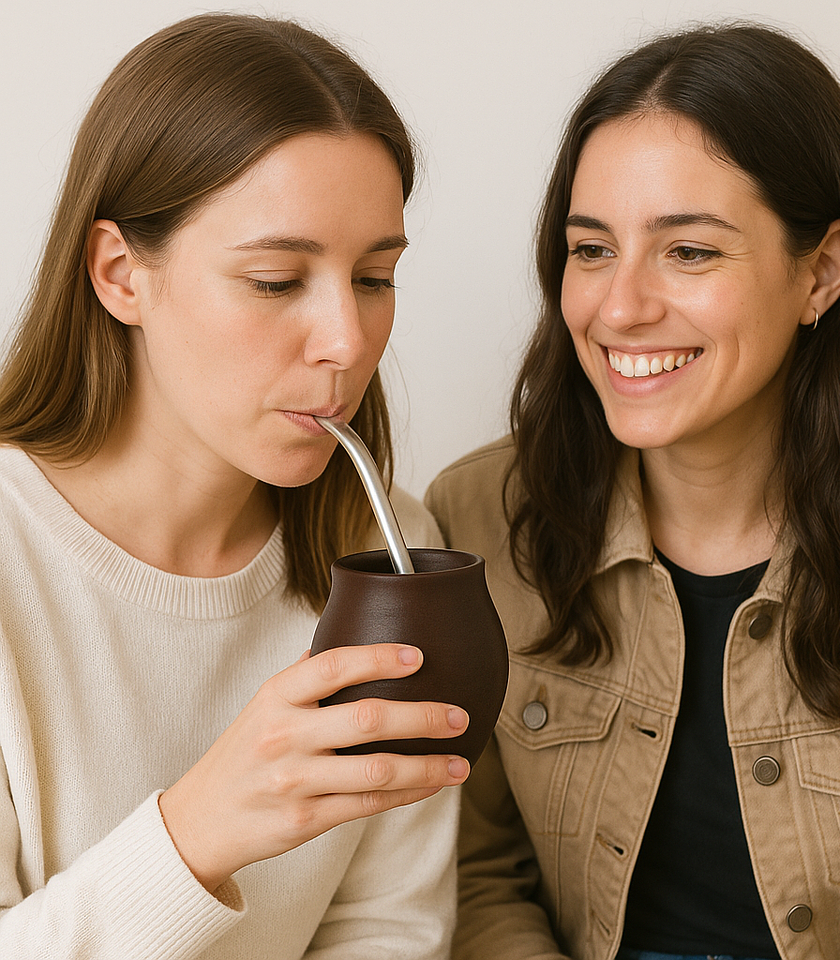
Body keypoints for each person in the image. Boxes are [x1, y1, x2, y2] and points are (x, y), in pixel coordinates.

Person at [426, 22, 840, 960]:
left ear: (821, 274)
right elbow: (474, 875)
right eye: (591, 250)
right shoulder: (476, 517)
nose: (620, 306)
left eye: (691, 252)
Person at [0, 13, 470, 959]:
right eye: (273, 279)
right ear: (120, 274)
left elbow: (389, 932)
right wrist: (196, 833)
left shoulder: (390, 559)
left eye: (375, 276)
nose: (347, 339)